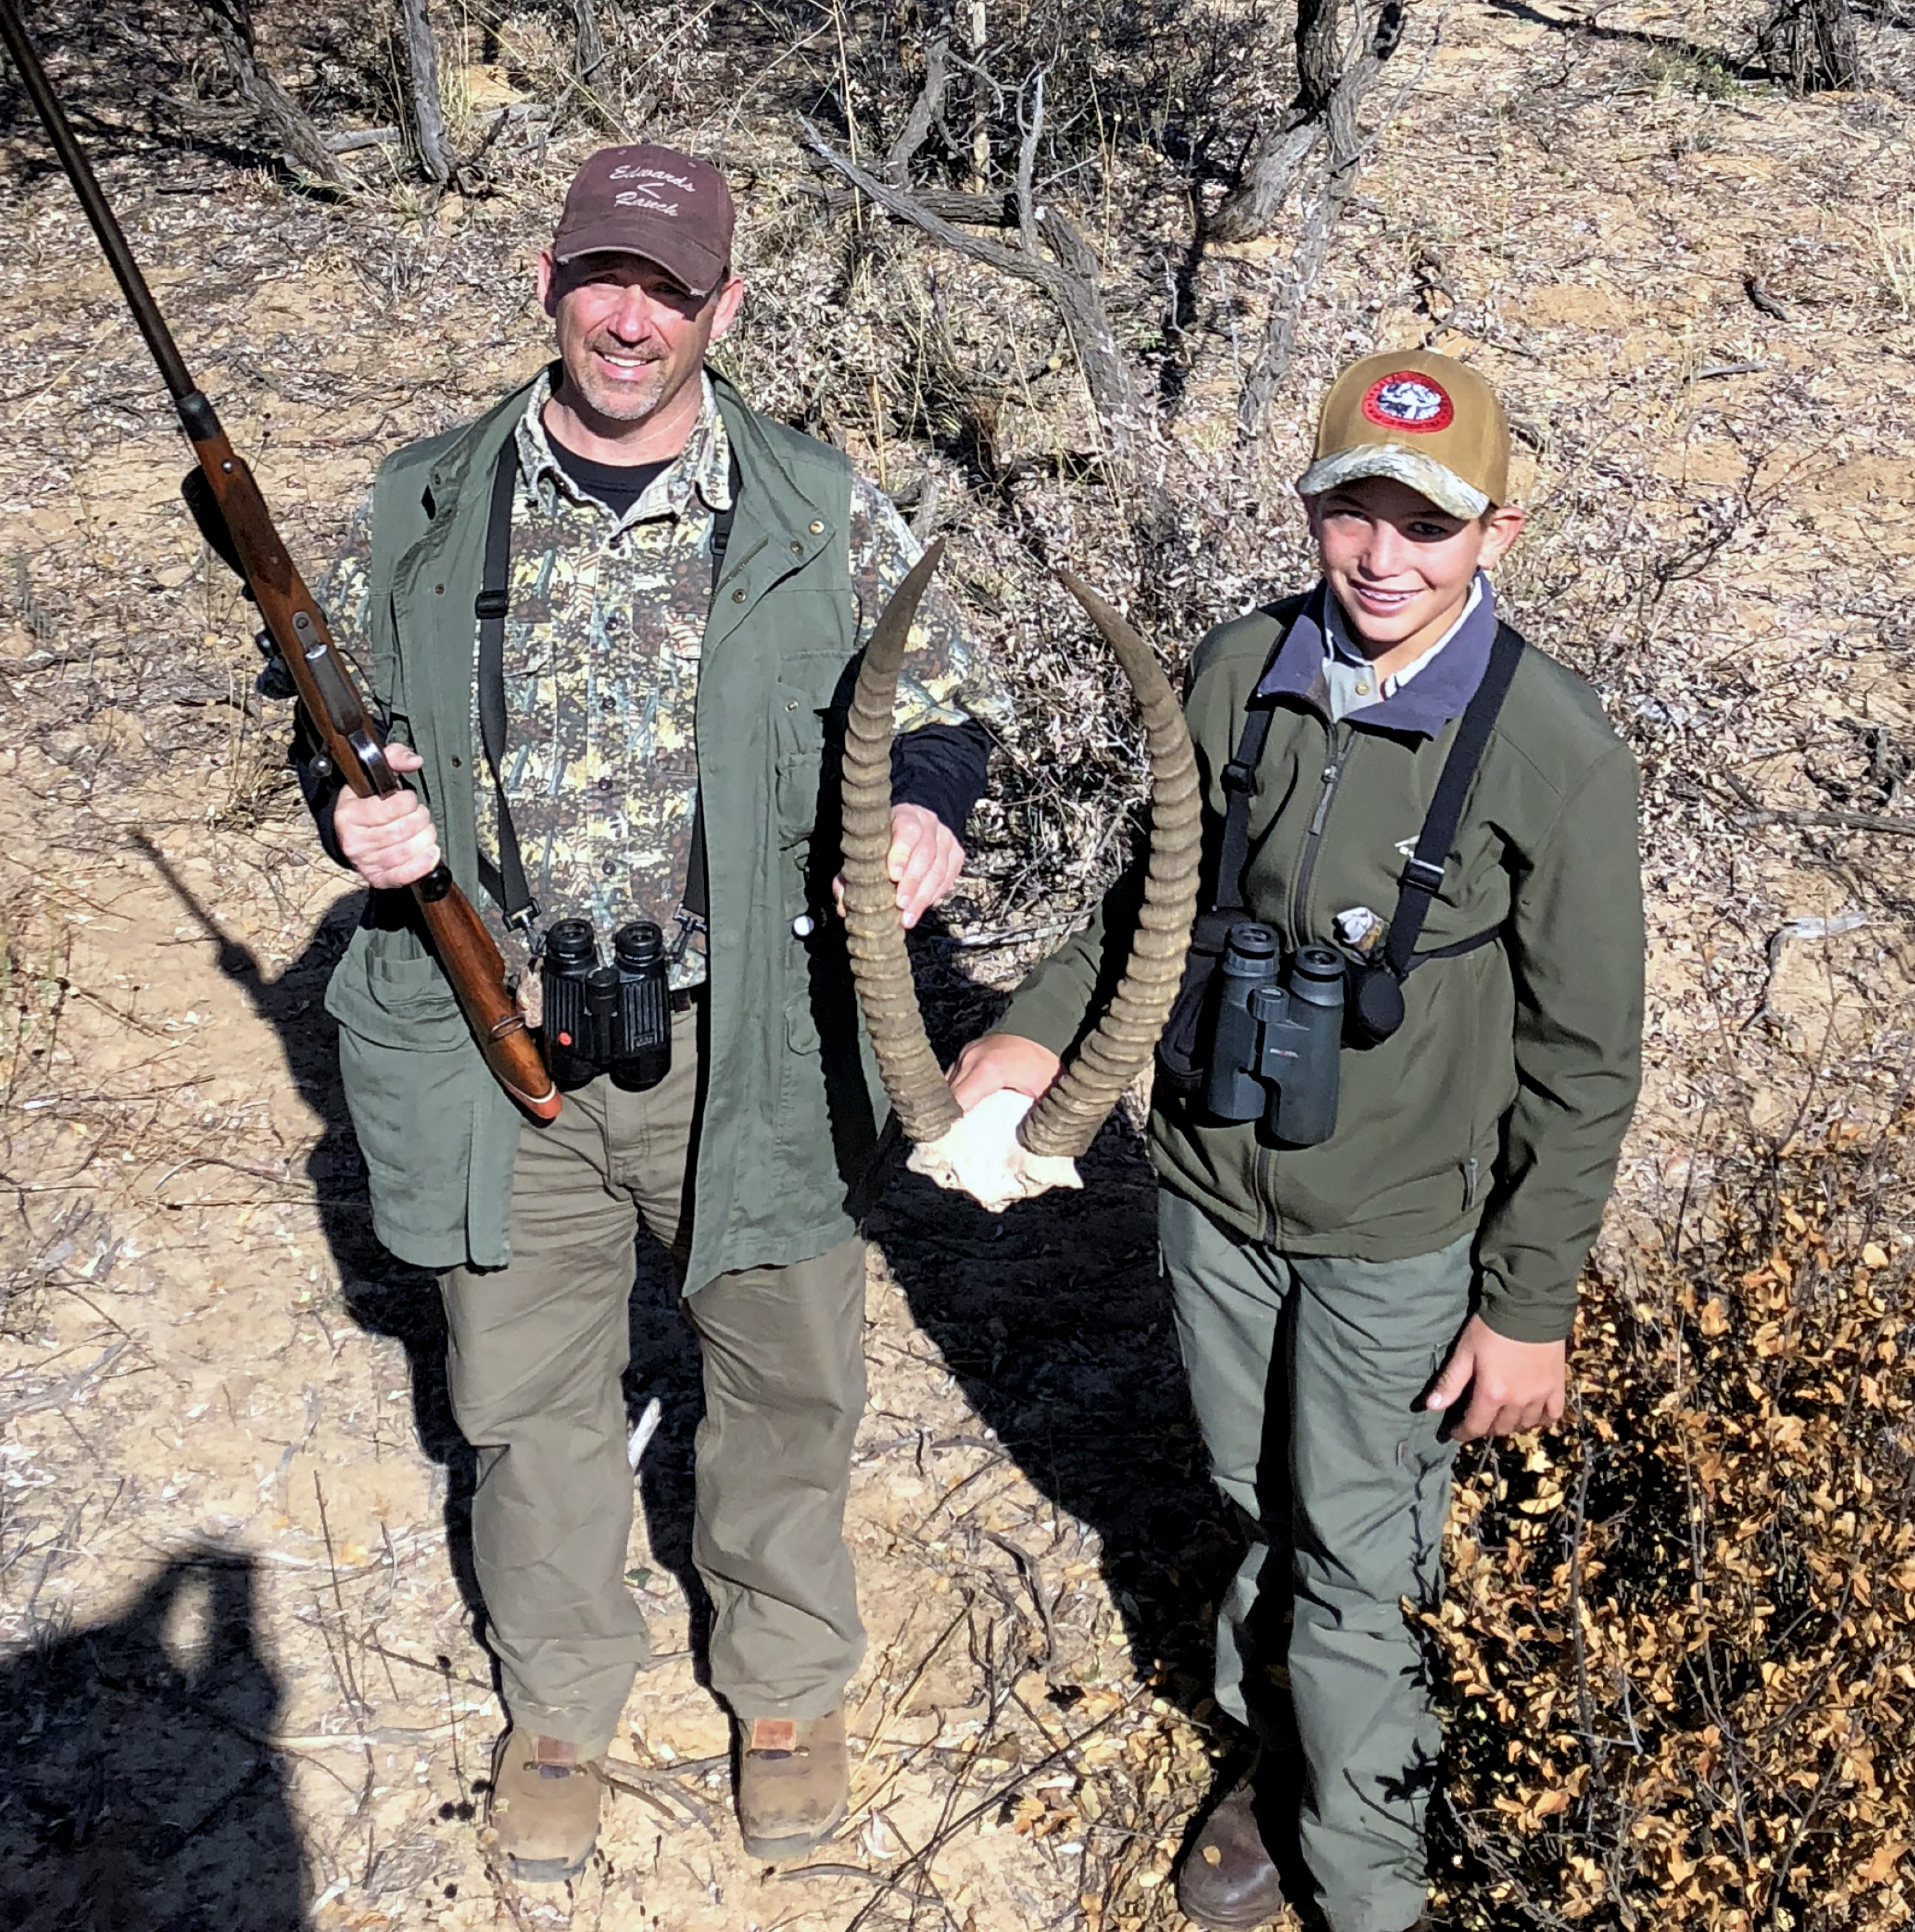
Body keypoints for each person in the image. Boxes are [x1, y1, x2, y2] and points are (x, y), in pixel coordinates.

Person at [307, 143, 1005, 1884]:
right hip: (507, 1037)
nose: (629, 319)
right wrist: (359, 811)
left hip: (750, 1032)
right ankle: (557, 1702)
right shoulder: (423, 497)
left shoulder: (814, 499)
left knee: (784, 1375)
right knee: (523, 1394)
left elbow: (944, 695)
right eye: (601, 279)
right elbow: (341, 713)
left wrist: (922, 800)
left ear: (724, 307)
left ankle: (781, 1683)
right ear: (548, 279)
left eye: (669, 290)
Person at [949, 351, 1644, 1932]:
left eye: (1426, 523)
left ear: (1499, 533)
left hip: (1398, 1232)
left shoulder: (1551, 744)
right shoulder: (1238, 665)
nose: (1382, 557)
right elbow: (1152, 904)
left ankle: (1367, 1876)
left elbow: (1585, 1052)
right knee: (1254, 1494)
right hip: (1207, 1191)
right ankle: (1277, 1764)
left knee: (1357, 1554)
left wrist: (1526, 1299)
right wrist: (1039, 1018)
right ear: (1308, 508)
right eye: (1351, 512)